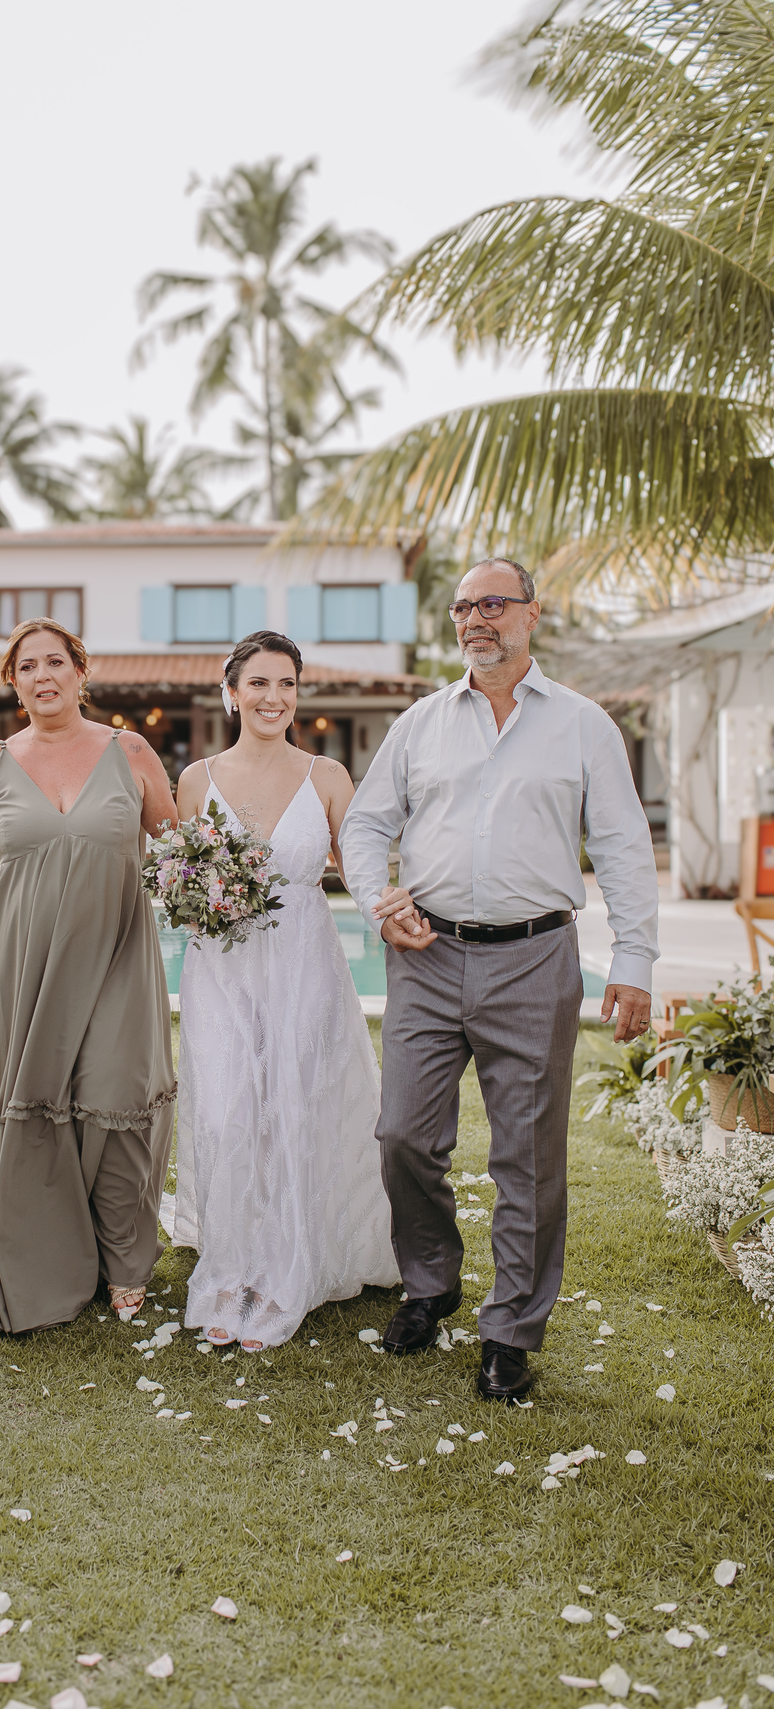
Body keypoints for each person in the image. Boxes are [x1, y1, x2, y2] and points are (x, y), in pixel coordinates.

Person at [339, 558, 659, 1402]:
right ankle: (432, 1281)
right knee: (403, 1135)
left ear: (531, 615)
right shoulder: (419, 723)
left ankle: (510, 1329)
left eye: (493, 604)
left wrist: (634, 961)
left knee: (527, 1158)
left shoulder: (585, 726)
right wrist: (380, 901)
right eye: (463, 607)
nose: (476, 618)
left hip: (535, 958)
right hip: (427, 956)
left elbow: (623, 843)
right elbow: (367, 823)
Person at [0, 617, 177, 1335]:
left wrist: (221, 894)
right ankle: (27, 1254)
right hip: (13, 961)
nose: (42, 675)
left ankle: (124, 1261)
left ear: (81, 671)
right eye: (26, 667)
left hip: (114, 954)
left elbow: (177, 852)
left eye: (55, 662)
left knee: (113, 1093)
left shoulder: (131, 750)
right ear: (14, 684)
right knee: (22, 1099)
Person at [171, 630, 401, 1352]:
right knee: (227, 1115)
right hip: (221, 967)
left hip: (304, 962)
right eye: (260, 683)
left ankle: (286, 1271)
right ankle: (231, 1268)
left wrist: (390, 913)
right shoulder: (195, 779)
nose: (274, 698)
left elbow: (361, 867)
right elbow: (185, 875)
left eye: (287, 685)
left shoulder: (328, 775)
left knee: (295, 1109)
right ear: (231, 692)